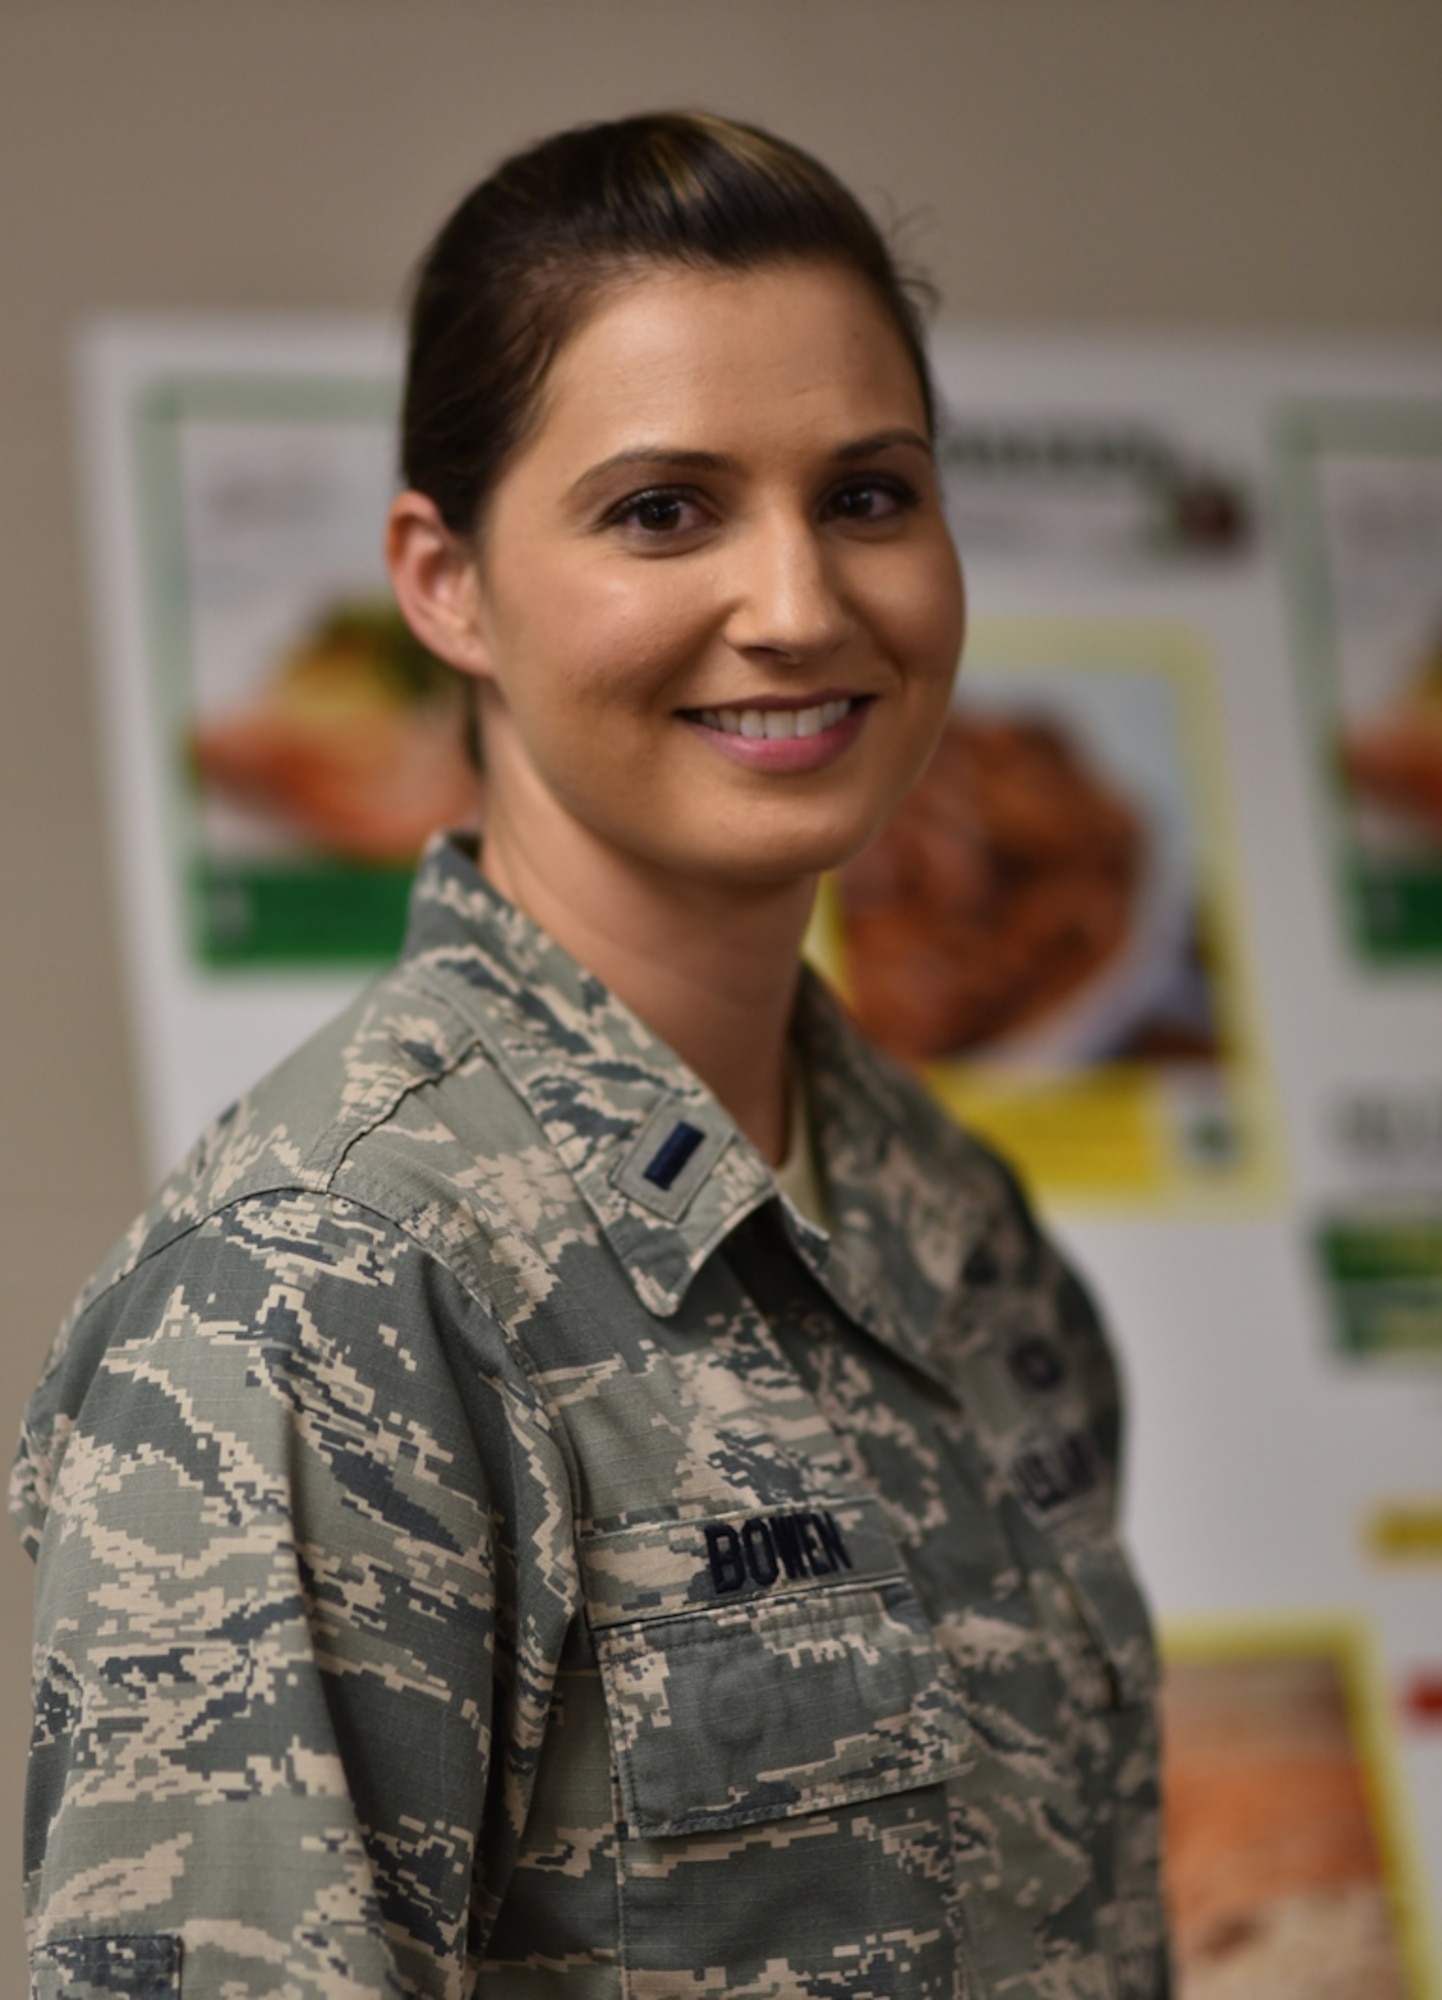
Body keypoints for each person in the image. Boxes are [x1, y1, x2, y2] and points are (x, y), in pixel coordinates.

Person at [13, 113, 1168, 1999]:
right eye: (663, 510)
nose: (798, 604)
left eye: (868, 494)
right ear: (443, 580)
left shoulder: (955, 1225)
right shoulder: (323, 1284)